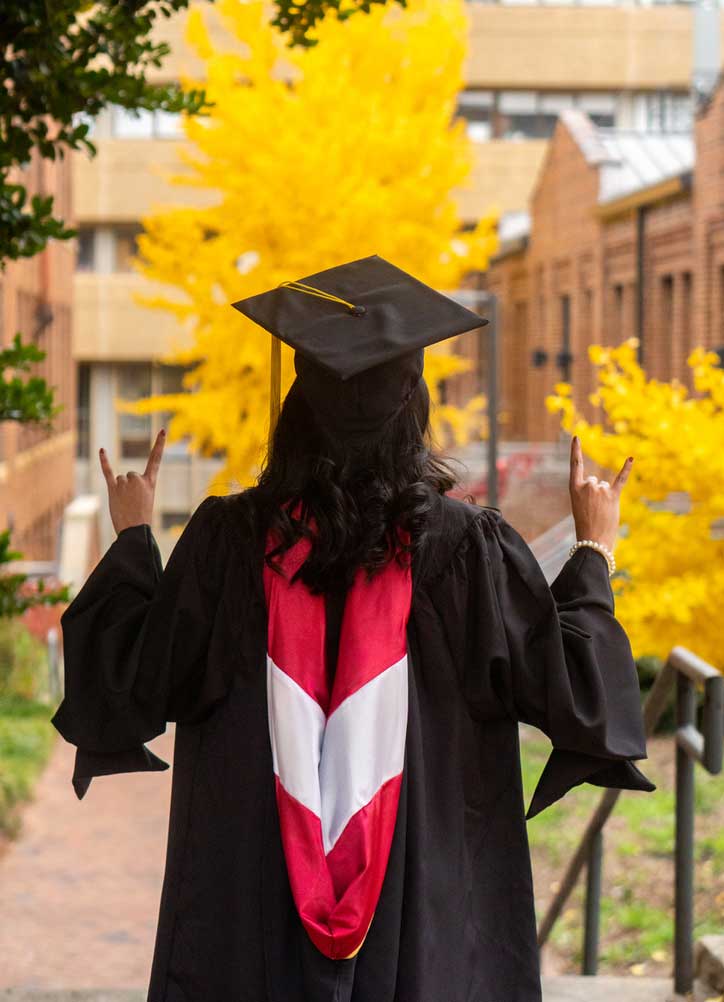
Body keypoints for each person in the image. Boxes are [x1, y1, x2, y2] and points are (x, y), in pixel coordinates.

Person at [51, 256, 655, 1002]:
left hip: (253, 898)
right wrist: (594, 549)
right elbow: (572, 688)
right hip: (424, 906)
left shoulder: (229, 543)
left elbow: (134, 678)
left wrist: (134, 537)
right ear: (415, 406)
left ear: (298, 407)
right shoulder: (468, 550)